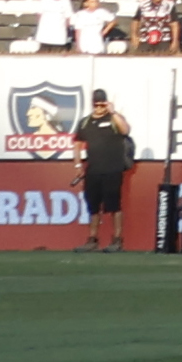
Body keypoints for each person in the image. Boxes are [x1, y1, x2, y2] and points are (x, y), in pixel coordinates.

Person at [72, 87, 136, 253]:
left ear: (106, 104)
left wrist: (113, 112)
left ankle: (117, 240)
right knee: (93, 206)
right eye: (96, 105)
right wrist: (78, 165)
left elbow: (125, 130)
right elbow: (77, 144)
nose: (99, 108)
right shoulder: (85, 122)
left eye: (102, 104)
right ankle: (92, 240)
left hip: (113, 169)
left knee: (114, 205)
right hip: (93, 169)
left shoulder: (114, 119)